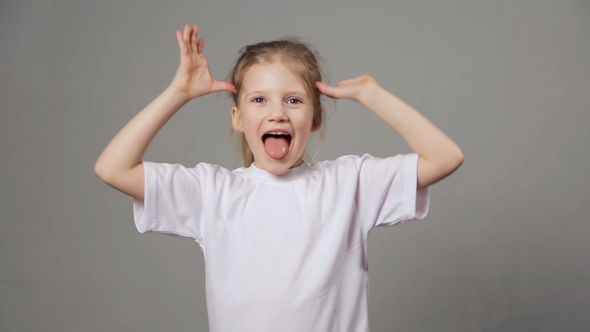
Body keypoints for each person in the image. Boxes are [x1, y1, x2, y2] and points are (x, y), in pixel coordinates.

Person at [95, 24, 464, 332]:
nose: (277, 114)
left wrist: (373, 95)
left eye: (293, 100)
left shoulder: (349, 184)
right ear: (238, 119)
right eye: (259, 100)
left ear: (315, 120)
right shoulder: (212, 192)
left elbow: (446, 157)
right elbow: (113, 168)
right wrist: (177, 93)